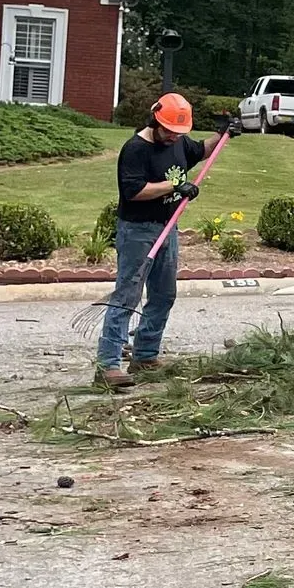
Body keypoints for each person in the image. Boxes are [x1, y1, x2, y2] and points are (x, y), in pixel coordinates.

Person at [96, 93, 209, 387]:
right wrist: (174, 185)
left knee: (163, 295)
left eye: (179, 132)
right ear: (155, 121)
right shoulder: (135, 149)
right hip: (137, 231)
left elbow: (201, 150)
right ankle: (107, 365)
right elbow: (134, 191)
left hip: (167, 227)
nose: (174, 137)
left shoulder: (178, 141)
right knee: (127, 295)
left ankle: (145, 356)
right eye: (169, 131)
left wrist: (226, 134)